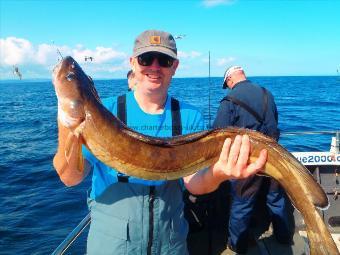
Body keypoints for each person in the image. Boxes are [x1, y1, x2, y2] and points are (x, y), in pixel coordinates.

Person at [53, 30, 268, 255]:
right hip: (111, 246)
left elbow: (194, 183)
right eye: (146, 59)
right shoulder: (105, 110)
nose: (154, 67)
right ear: (133, 63)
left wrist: (220, 173)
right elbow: (70, 177)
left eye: (164, 60)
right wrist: (67, 121)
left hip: (170, 243)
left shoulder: (189, 116)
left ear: (174, 67)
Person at [213, 66, 294, 254]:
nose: (229, 87)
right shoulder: (267, 94)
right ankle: (284, 236)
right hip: (274, 156)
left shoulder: (229, 100)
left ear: (230, 79)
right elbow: (274, 121)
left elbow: (218, 133)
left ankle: (237, 244)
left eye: (228, 83)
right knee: (276, 198)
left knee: (242, 202)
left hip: (246, 160)